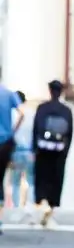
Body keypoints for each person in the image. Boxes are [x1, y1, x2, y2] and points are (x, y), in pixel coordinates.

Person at [32, 79, 73, 228]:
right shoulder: (67, 111)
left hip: (42, 149)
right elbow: (70, 134)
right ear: (61, 92)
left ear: (50, 91)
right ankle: (50, 209)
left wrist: (34, 149)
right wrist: (66, 152)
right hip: (59, 150)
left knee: (41, 178)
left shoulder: (42, 108)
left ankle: (42, 204)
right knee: (56, 179)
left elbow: (35, 130)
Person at [0, 82, 24, 233]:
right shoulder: (9, 94)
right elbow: (22, 113)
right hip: (5, 142)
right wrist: (12, 131)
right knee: (1, 178)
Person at [9, 91, 35, 220]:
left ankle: (15, 209)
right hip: (30, 151)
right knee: (31, 181)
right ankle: (29, 208)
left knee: (15, 182)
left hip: (16, 151)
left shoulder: (12, 114)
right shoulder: (31, 114)